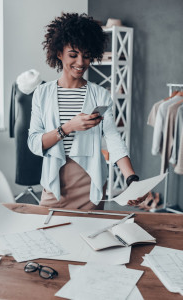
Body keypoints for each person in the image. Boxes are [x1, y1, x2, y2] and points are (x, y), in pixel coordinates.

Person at [28, 13, 145, 209]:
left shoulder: (100, 95)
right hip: (54, 182)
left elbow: (113, 138)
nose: (81, 62)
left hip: (90, 183)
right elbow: (34, 143)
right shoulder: (42, 93)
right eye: (73, 55)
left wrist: (131, 178)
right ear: (59, 53)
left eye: (87, 55)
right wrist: (68, 127)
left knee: (89, 238)